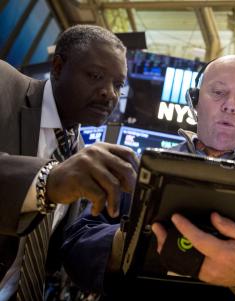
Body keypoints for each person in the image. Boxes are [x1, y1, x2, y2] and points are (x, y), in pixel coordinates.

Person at [62, 55, 235, 301]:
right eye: (218, 92)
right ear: (195, 99)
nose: (230, 106)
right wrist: (128, 241)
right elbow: (75, 251)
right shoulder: (138, 169)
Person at [0, 24, 138, 301]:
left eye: (118, 84)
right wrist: (48, 181)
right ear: (59, 67)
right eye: (96, 76)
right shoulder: (4, 84)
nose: (109, 93)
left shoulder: (79, 154)